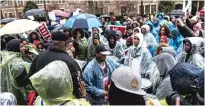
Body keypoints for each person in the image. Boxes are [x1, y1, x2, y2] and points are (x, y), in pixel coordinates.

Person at [29, 31, 83, 99]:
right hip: (63, 101)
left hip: (43, 98)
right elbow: (78, 85)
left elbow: (31, 78)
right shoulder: (69, 61)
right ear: (65, 43)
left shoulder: (39, 57)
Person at [0, 39, 31, 105]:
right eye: (21, 46)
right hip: (17, 91)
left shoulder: (7, 57)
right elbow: (22, 80)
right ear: (15, 48)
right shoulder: (16, 61)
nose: (24, 48)